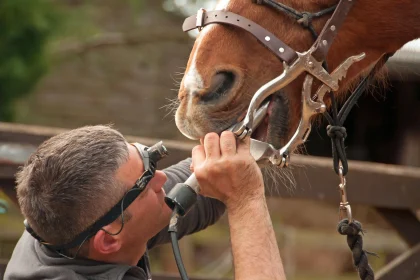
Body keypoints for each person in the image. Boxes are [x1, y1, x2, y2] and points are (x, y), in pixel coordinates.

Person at [5, 125, 286, 280]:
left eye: (149, 162)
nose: (162, 178)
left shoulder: (68, 230)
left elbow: (210, 184)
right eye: (144, 183)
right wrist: (247, 200)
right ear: (109, 239)